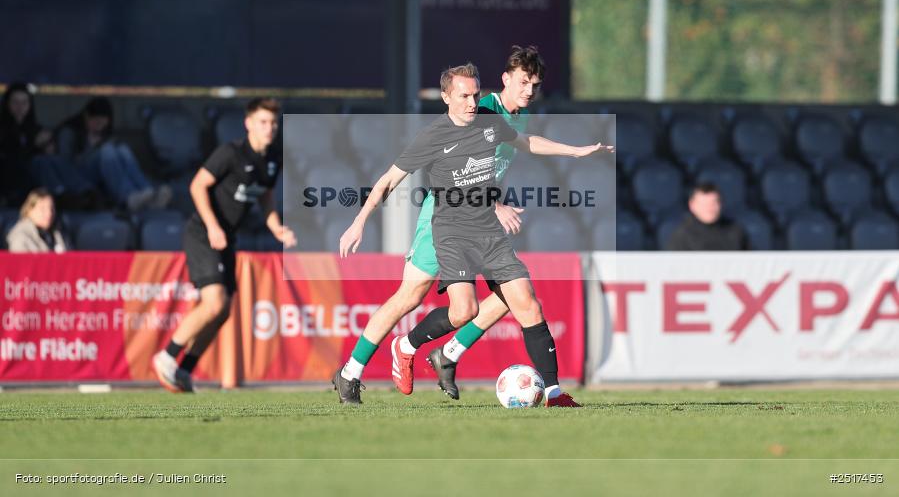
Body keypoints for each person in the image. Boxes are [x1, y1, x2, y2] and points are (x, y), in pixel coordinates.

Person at [337, 62, 612, 407]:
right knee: (419, 299)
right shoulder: (434, 136)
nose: (471, 103)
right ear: (446, 97)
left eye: (474, 95)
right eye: (463, 96)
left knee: (523, 300)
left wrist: (575, 150)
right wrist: (359, 221)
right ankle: (357, 369)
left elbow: (525, 143)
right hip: (447, 228)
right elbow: (389, 180)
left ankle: (553, 393)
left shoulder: (492, 122)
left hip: (485, 230)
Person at [152, 98, 296, 392]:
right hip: (204, 233)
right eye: (263, 122)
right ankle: (166, 356)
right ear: (248, 123)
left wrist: (275, 227)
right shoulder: (230, 153)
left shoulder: (272, 159)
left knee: (223, 311)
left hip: (226, 237)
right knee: (214, 302)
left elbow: (265, 196)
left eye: (273, 123)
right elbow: (197, 185)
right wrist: (214, 226)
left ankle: (184, 369)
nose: (269, 128)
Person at [56, 97, 171, 212]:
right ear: (86, 117)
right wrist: (91, 148)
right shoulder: (69, 131)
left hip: (104, 171)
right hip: (79, 176)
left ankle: (148, 191)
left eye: (102, 122)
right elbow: (66, 166)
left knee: (122, 149)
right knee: (108, 150)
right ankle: (128, 197)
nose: (99, 126)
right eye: (96, 121)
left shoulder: (103, 132)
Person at [0, 83, 94, 207]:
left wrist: (47, 146)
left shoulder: (35, 128)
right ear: (7, 104)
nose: (20, 107)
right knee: (40, 161)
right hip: (14, 179)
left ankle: (86, 191)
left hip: (38, 176)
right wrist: (34, 146)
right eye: (15, 102)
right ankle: (60, 194)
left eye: (24, 102)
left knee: (52, 159)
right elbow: (11, 159)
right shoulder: (3, 129)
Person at [665, 182, 748, 251]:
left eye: (713, 203)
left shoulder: (735, 230)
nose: (709, 208)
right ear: (692, 205)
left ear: (721, 204)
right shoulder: (681, 236)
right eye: (704, 204)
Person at [6, 188, 69, 253]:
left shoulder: (58, 232)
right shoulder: (20, 236)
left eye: (51, 208)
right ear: (29, 210)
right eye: (42, 208)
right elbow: (20, 261)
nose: (49, 213)